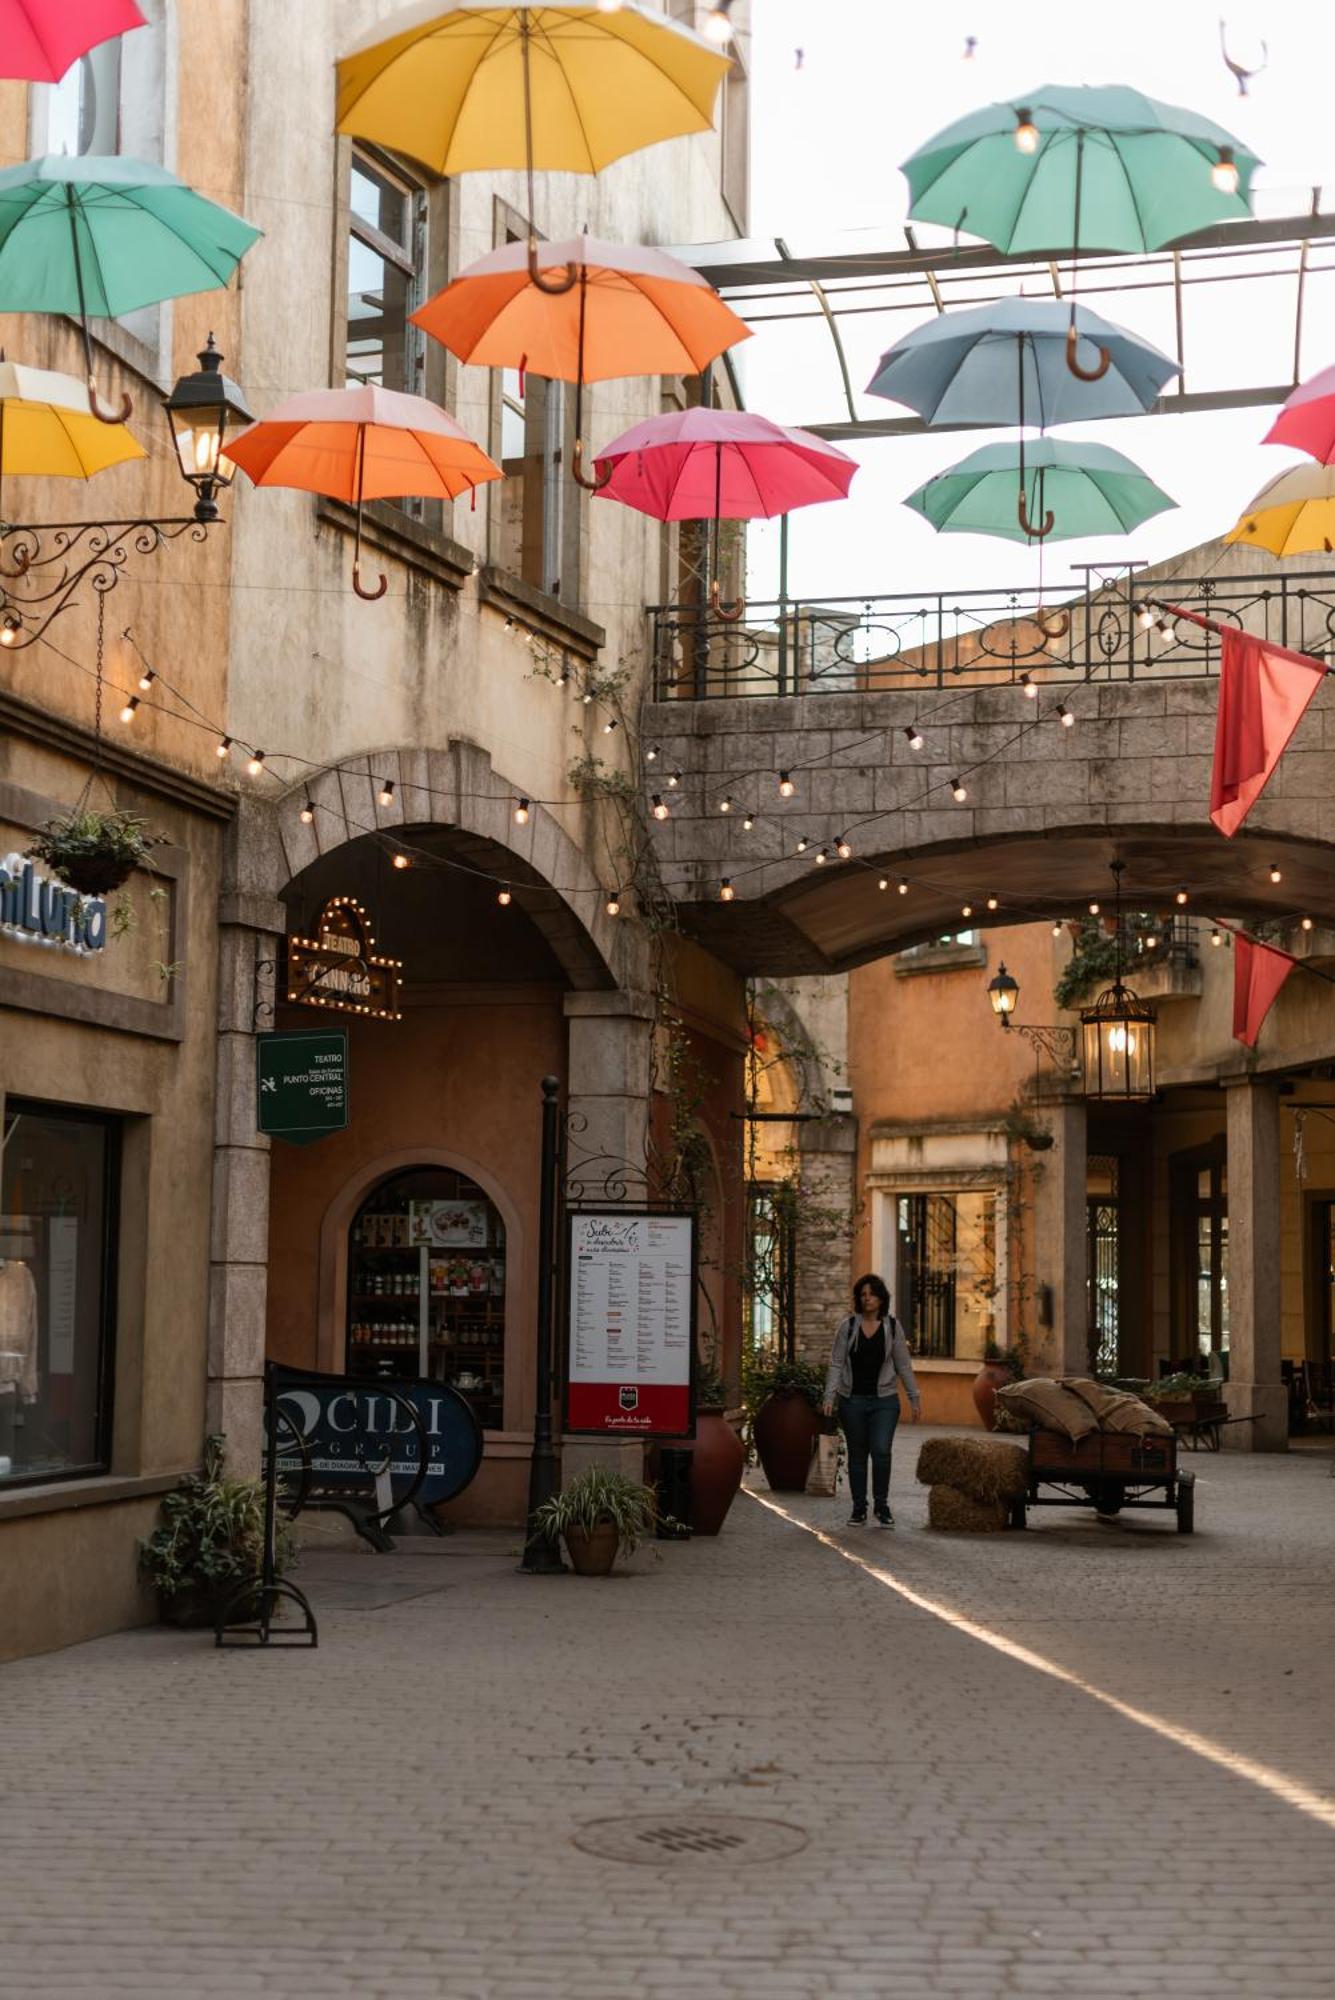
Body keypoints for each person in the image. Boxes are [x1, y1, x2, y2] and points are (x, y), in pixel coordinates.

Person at [822, 1273, 921, 1527]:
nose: (867, 1299)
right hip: (852, 1400)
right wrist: (829, 1395)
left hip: (884, 1401)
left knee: (881, 1451)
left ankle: (881, 1505)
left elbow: (903, 1365)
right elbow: (836, 1362)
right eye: (863, 1295)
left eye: (872, 1294)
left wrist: (914, 1397)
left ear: (881, 1298)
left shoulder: (892, 1327)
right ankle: (858, 1508)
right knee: (857, 1455)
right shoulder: (848, 1326)